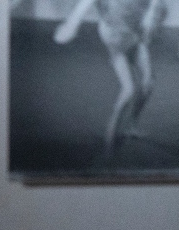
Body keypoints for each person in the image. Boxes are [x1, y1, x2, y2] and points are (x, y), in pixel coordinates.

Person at [54, 0, 167, 154]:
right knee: (129, 90)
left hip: (135, 34)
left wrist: (151, 13)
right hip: (115, 36)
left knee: (148, 83)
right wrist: (71, 24)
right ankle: (111, 131)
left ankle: (131, 126)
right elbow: (84, 5)